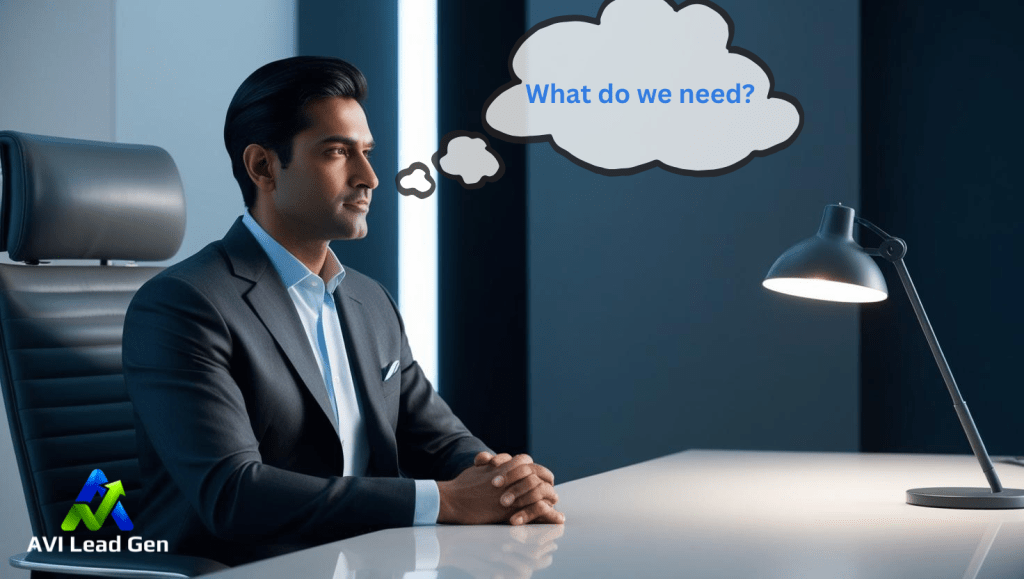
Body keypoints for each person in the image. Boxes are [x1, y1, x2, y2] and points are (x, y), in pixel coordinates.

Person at [123, 55, 562, 567]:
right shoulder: (183, 305)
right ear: (263, 166)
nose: (370, 177)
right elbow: (233, 494)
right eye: (337, 152)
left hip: (367, 561)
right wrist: (447, 501)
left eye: (368, 153)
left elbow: (441, 438)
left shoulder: (369, 301)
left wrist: (506, 483)